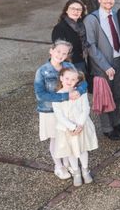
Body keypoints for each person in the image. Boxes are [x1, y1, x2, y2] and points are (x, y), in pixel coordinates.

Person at [34, 40, 88, 180]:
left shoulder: (69, 66)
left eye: (64, 53)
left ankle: (68, 162)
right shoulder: (42, 71)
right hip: (49, 111)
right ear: (51, 51)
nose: (60, 55)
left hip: (68, 110)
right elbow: (40, 94)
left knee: (67, 138)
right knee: (55, 139)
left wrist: (80, 91)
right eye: (58, 51)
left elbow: (83, 81)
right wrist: (65, 96)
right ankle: (59, 166)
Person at [84, 0, 120, 141]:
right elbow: (91, 46)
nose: (109, 1)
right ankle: (107, 128)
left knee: (116, 95)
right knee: (104, 96)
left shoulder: (115, 15)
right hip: (102, 64)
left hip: (118, 60)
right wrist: (105, 66)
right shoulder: (92, 19)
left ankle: (116, 123)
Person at [52, 67, 98, 186]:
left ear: (77, 80)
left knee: (82, 150)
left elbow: (85, 108)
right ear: (61, 78)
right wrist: (71, 127)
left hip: (81, 126)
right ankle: (76, 172)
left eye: (73, 79)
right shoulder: (57, 96)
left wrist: (80, 124)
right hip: (67, 129)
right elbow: (59, 115)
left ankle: (85, 169)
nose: (69, 81)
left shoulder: (80, 93)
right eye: (67, 78)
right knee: (71, 152)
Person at [51, 0, 88, 73]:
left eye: (79, 9)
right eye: (72, 9)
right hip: (69, 65)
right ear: (66, 10)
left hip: (83, 62)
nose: (75, 11)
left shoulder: (82, 26)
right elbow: (59, 51)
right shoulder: (60, 28)